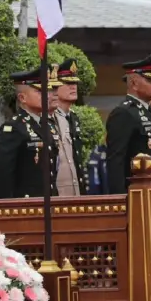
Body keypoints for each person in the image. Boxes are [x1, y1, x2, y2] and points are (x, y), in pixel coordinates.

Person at [106, 54, 151, 301]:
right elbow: (116, 160)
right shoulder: (124, 113)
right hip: (135, 201)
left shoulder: (148, 112)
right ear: (134, 81)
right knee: (134, 262)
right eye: (150, 79)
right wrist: (120, 201)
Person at [0, 64, 56, 199]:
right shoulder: (13, 129)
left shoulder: (47, 125)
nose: (46, 95)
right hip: (26, 205)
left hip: (48, 201)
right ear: (22, 98)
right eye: (39, 92)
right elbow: (4, 176)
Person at [52, 58, 85, 197]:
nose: (73, 87)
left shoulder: (73, 117)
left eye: (75, 83)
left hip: (75, 191)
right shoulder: (48, 118)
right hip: (58, 193)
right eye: (68, 83)